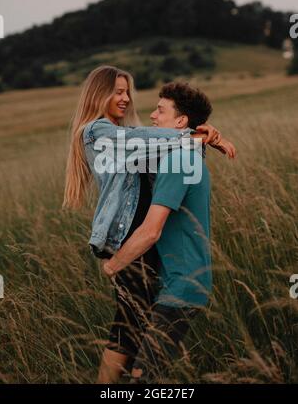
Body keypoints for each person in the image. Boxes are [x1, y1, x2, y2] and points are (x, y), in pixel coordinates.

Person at [62, 66, 235, 384]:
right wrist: (192, 133)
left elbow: (169, 153)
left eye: (127, 91)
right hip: (130, 239)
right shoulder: (98, 132)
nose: (126, 98)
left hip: (144, 243)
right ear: (98, 94)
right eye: (117, 91)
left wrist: (201, 134)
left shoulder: (138, 138)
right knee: (129, 327)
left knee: (132, 327)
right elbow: (143, 138)